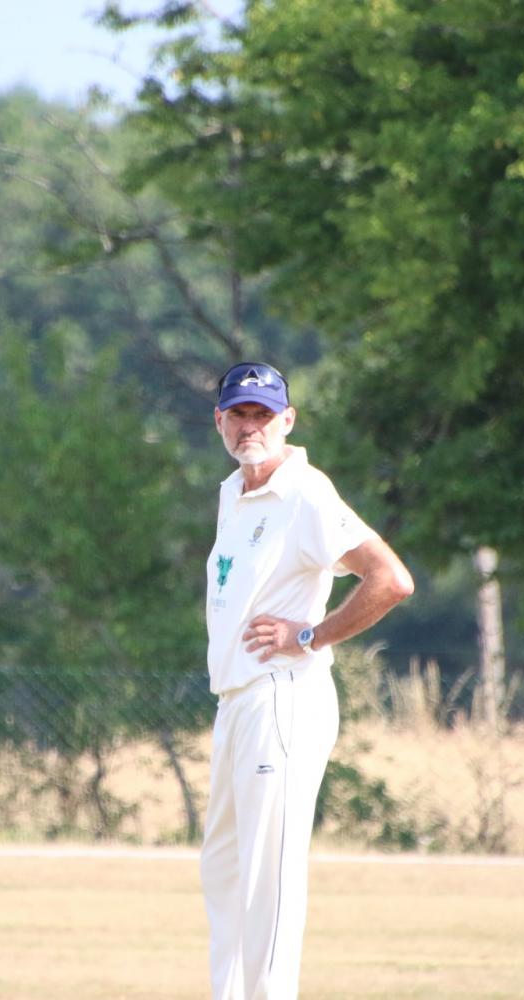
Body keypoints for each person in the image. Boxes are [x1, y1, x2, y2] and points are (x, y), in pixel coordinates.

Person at [202, 361, 414, 1000]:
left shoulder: (304, 492)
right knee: (225, 874)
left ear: (287, 421)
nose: (251, 427)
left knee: (267, 881)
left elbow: (390, 580)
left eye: (264, 415)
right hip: (236, 700)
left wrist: (310, 635)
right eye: (240, 414)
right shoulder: (234, 492)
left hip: (282, 696)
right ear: (219, 420)